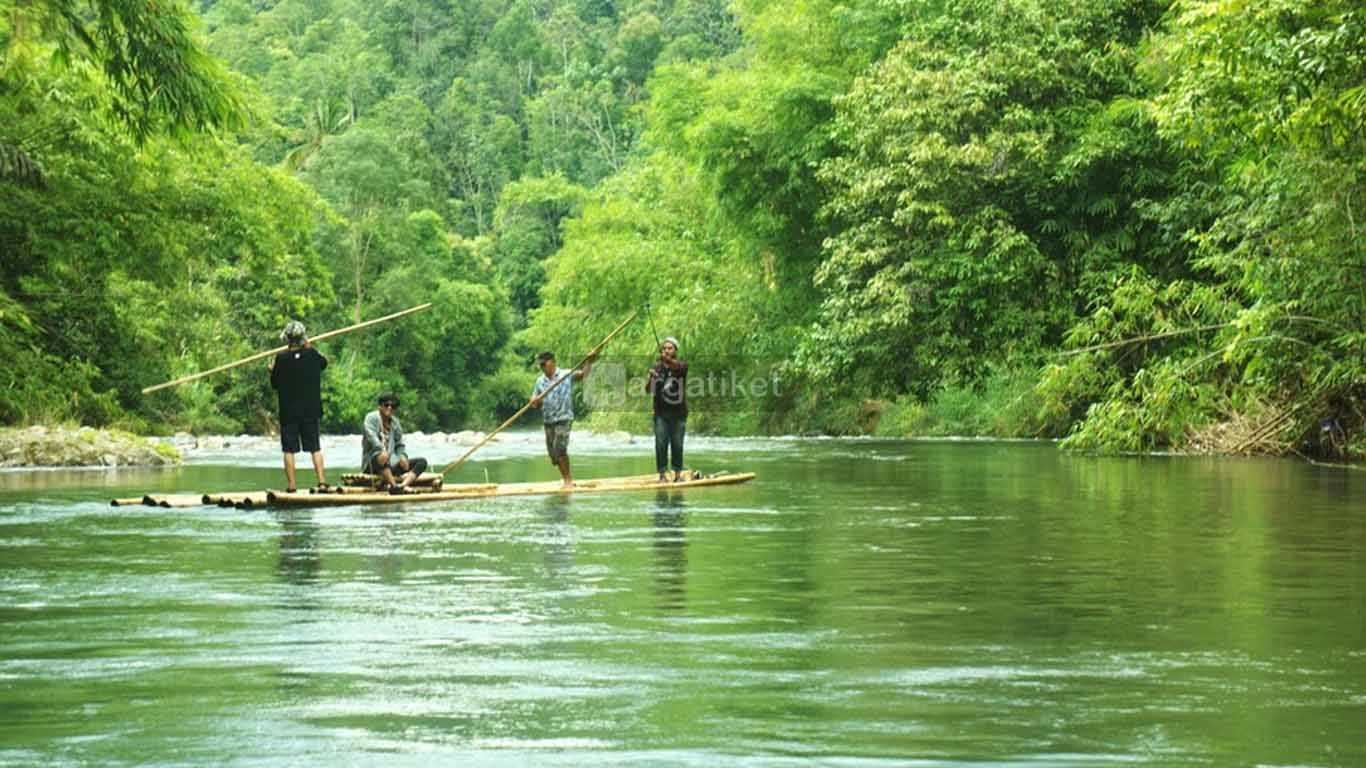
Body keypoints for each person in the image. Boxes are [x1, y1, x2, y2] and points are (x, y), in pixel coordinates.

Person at [268, 320, 328, 493]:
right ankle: (322, 482)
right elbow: (324, 363)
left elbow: (275, 384)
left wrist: (271, 370)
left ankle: (292, 485)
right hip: (310, 410)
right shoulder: (313, 355)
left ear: (287, 339)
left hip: (289, 412)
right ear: (303, 338)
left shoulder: (281, 359)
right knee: (315, 447)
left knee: (289, 449)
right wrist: (308, 346)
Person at [529, 350, 595, 488]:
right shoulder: (540, 381)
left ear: (552, 362)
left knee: (560, 448)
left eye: (544, 364)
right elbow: (535, 402)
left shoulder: (566, 374)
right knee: (553, 454)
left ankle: (568, 480)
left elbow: (584, 375)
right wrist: (535, 401)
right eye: (540, 365)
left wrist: (589, 360)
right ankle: (565, 478)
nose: (542, 367)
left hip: (564, 418)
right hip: (548, 420)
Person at [361, 392, 429, 493]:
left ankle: (402, 486)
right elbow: (371, 437)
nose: (389, 408)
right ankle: (394, 486)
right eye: (386, 405)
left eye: (393, 406)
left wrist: (402, 455)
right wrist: (382, 450)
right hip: (372, 464)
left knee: (422, 462)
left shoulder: (395, 423)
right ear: (380, 406)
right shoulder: (371, 418)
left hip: (391, 463)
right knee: (382, 457)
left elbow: (399, 444)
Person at [645, 336, 688, 482]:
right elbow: (648, 390)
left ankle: (677, 474)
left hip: (678, 413)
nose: (667, 350)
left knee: (677, 444)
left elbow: (676, 367)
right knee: (661, 444)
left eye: (670, 348)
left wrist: (666, 360)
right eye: (664, 348)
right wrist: (650, 378)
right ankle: (662, 475)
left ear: (675, 350)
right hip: (660, 413)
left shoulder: (682, 365)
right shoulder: (657, 367)